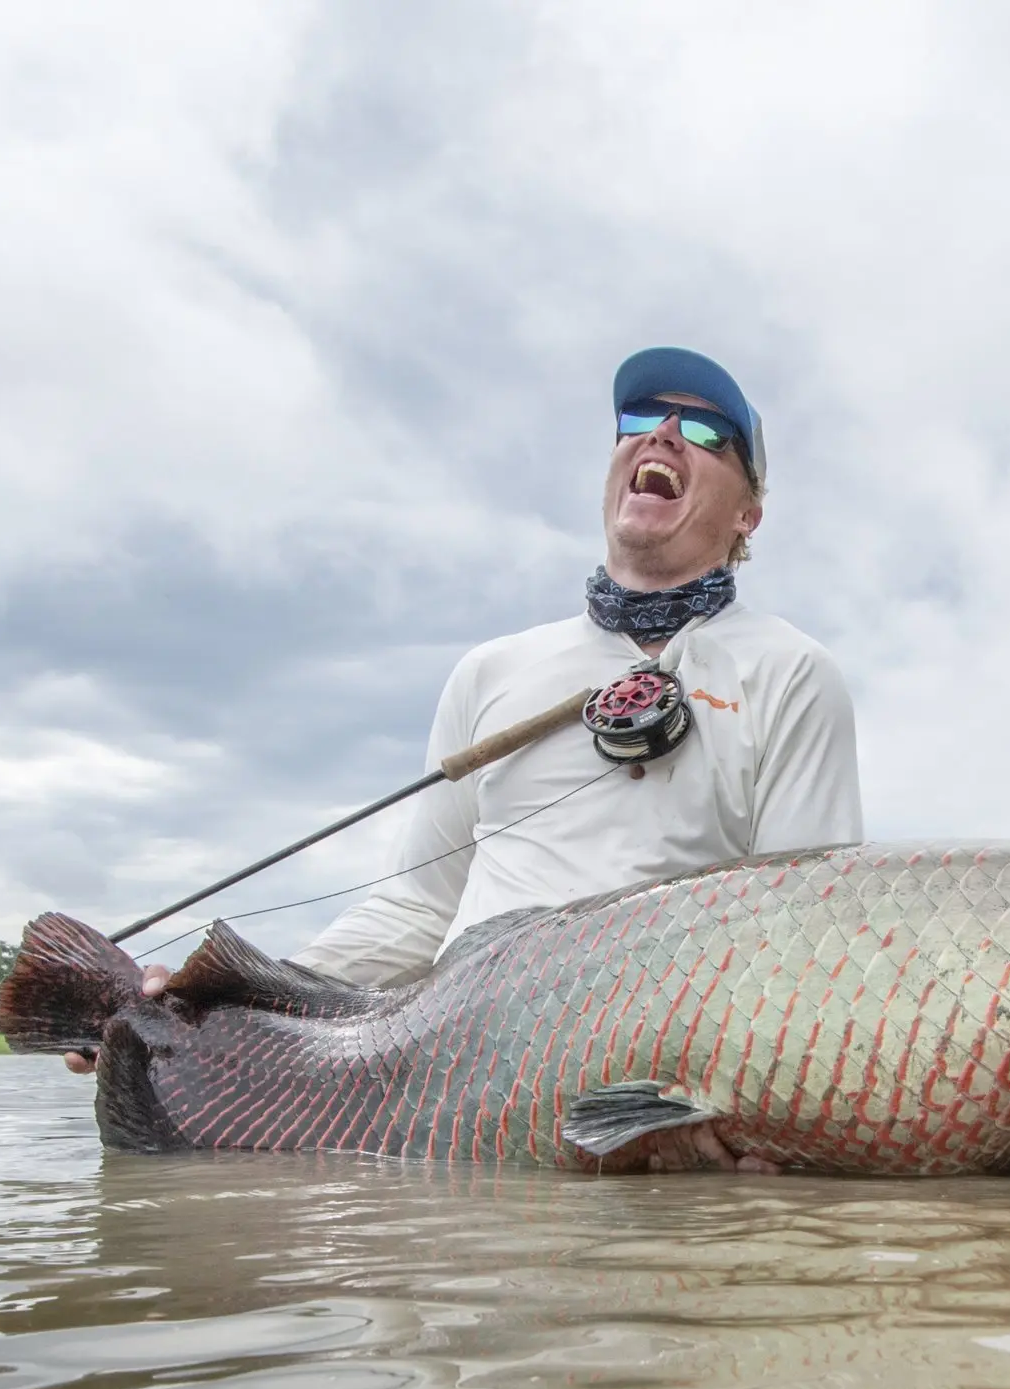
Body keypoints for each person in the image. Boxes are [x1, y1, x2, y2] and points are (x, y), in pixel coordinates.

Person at [70, 349, 864, 1171]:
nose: (661, 433)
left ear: (749, 515)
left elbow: (804, 949)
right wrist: (204, 1004)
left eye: (703, 429)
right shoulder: (492, 671)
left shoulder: (794, 673)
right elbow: (416, 911)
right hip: (458, 1062)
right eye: (638, 419)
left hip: (660, 1077)